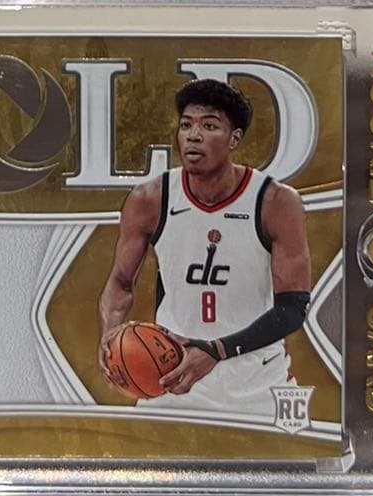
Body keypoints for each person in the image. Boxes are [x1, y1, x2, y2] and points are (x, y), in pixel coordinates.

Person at [97, 79, 311, 415]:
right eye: (186, 125)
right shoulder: (150, 199)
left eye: (209, 126)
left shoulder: (276, 202)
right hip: (172, 379)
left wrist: (217, 350)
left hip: (258, 387)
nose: (193, 136)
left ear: (234, 138)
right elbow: (121, 283)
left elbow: (292, 308)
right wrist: (110, 334)